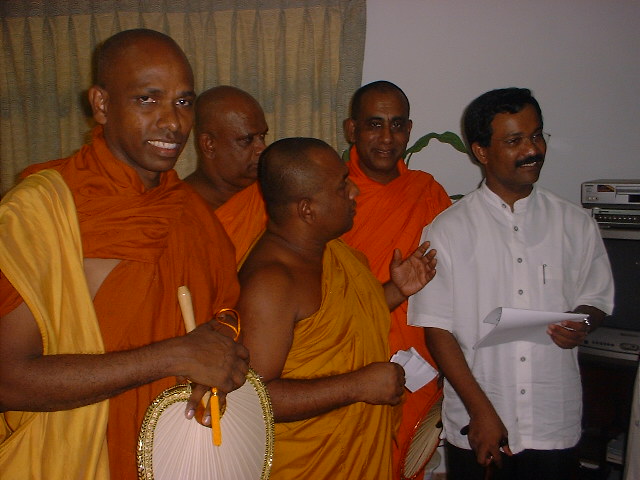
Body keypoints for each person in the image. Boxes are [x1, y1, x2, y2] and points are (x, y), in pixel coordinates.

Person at [0, 29, 249, 479]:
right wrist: (174, 356)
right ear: (100, 104)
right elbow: (8, 381)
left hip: (174, 459)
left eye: (184, 102)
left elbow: (224, 317)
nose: (173, 122)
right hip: (69, 461)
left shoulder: (192, 215)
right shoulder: (38, 214)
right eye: (147, 100)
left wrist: (222, 365)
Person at [408, 87, 614, 480]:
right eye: (515, 140)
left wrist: (582, 323)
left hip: (553, 420)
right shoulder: (447, 230)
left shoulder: (576, 224)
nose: (532, 149)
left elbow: (597, 298)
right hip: (478, 423)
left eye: (537, 135)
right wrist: (481, 411)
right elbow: (437, 330)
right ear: (481, 152)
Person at [237, 137, 438, 479]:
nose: (354, 192)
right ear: (307, 209)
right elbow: (254, 396)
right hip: (302, 466)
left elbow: (341, 320)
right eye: (341, 185)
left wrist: (396, 291)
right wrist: (357, 386)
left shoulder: (333, 254)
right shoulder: (272, 282)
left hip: (356, 457)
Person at [341, 80, 451, 478]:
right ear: (351, 130)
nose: (388, 138)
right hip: (344, 366)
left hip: (416, 366)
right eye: (374, 124)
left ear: (409, 128)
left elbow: (452, 282)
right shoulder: (329, 195)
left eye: (398, 125)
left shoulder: (427, 192)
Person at [185, 85, 269, 263]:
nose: (261, 148)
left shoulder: (275, 196)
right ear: (209, 145)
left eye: (262, 137)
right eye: (247, 140)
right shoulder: (178, 209)